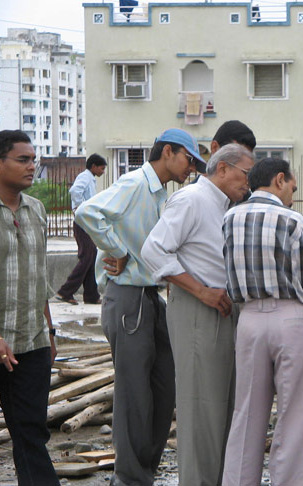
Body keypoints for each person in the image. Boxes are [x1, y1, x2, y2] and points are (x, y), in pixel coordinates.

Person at [75, 128, 202, 486]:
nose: (191, 168)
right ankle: (130, 478)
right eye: (188, 159)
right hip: (128, 297)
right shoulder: (135, 183)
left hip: (151, 297)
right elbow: (88, 211)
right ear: (168, 152)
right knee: (133, 392)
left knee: (163, 388)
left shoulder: (162, 194)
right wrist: (118, 251)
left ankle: (144, 470)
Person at [141, 143, 254, 486]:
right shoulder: (191, 199)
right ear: (223, 169)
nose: (248, 183)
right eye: (246, 174)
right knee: (201, 411)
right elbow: (154, 250)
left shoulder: (225, 207)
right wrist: (201, 290)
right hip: (198, 309)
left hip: (223, 307)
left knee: (222, 409)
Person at [221, 157, 303, 486]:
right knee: (294, 416)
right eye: (292, 188)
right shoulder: (293, 220)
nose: (292, 197)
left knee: (246, 415)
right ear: (280, 180)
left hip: (249, 319)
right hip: (291, 318)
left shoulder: (230, 217)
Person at [0, 130, 59, 485]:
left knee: (31, 434)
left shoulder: (35, 209)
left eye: (33, 160)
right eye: (23, 160)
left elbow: (40, 279)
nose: (31, 166)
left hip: (30, 343)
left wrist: (49, 333)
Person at [56, 153, 107, 305]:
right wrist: (81, 209)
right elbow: (74, 191)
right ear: (94, 166)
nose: (103, 171)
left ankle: (91, 296)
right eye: (102, 168)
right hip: (82, 222)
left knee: (91, 255)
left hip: (86, 222)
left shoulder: (90, 178)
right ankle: (65, 291)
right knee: (87, 257)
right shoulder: (85, 177)